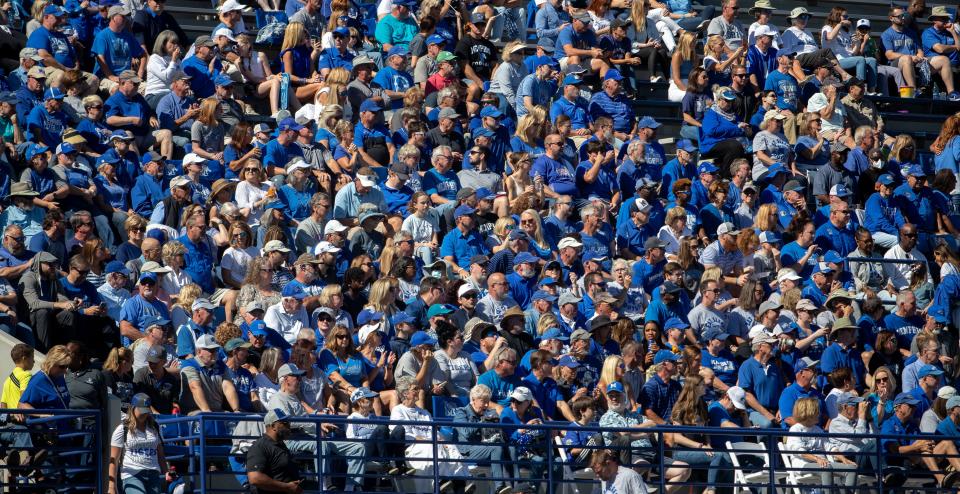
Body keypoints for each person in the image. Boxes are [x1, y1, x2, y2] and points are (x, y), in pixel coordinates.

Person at [108, 393, 168, 494]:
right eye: (141, 411)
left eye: (146, 411)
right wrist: (111, 486)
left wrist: (166, 472)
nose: (144, 414)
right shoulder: (122, 429)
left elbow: (160, 454)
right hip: (132, 474)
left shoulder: (154, 427)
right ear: (132, 408)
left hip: (153, 474)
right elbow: (113, 459)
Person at [246, 409, 304, 494]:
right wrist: (287, 487)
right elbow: (255, 478)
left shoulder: (280, 444)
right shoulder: (260, 447)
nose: (289, 426)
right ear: (273, 426)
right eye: (285, 423)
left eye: (288, 423)